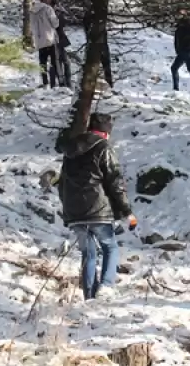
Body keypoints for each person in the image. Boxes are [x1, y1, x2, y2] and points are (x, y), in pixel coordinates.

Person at [58, 113, 138, 300]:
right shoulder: (103, 148)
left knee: (88, 253)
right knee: (110, 247)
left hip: (75, 212)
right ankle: (106, 286)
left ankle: (89, 296)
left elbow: (62, 184)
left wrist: (68, 211)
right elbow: (115, 182)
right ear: (106, 132)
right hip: (98, 210)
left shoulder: (70, 152)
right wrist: (127, 212)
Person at [30, 0, 60, 88]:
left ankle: (45, 83)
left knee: (42, 63)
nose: (50, 0)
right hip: (50, 38)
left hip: (39, 40)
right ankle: (54, 84)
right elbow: (55, 24)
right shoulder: (48, 9)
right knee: (54, 62)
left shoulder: (32, 10)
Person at [171, 8, 190, 91]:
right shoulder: (181, 25)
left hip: (185, 50)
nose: (178, 16)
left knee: (174, 68)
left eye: (180, 14)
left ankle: (176, 89)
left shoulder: (187, 24)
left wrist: (181, 48)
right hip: (188, 50)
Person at [53, 1, 72, 88]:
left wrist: (61, 11)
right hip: (54, 42)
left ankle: (67, 82)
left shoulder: (59, 17)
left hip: (60, 42)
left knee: (66, 62)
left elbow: (64, 22)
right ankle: (61, 82)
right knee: (57, 62)